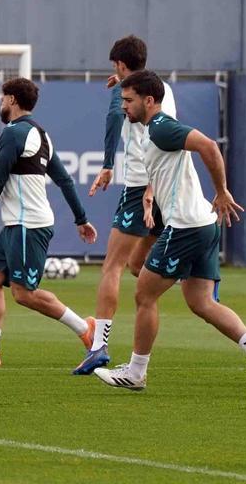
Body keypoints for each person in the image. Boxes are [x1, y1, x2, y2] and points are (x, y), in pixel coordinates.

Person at [95, 71, 246, 396]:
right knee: (201, 301)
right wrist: (152, 195)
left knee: (143, 294)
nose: (123, 106)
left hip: (186, 227)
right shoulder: (151, 130)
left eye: (128, 100)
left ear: (148, 101)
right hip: (202, 225)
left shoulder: (162, 126)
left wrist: (221, 191)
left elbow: (207, 145)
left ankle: (136, 372)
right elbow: (168, 167)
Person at [0, 78, 97, 367]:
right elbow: (64, 179)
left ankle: (86, 329)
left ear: (11, 100)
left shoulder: (13, 133)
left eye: (2, 100)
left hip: (28, 224)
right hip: (17, 224)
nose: (0, 104)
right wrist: (81, 219)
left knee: (24, 294)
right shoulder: (42, 135)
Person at [75, 35, 175, 374]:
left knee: (112, 266)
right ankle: (197, 277)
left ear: (119, 64)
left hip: (140, 186)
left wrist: (137, 183)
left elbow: (140, 133)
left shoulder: (128, 94)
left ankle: (99, 345)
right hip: (166, 188)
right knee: (138, 266)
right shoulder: (160, 90)